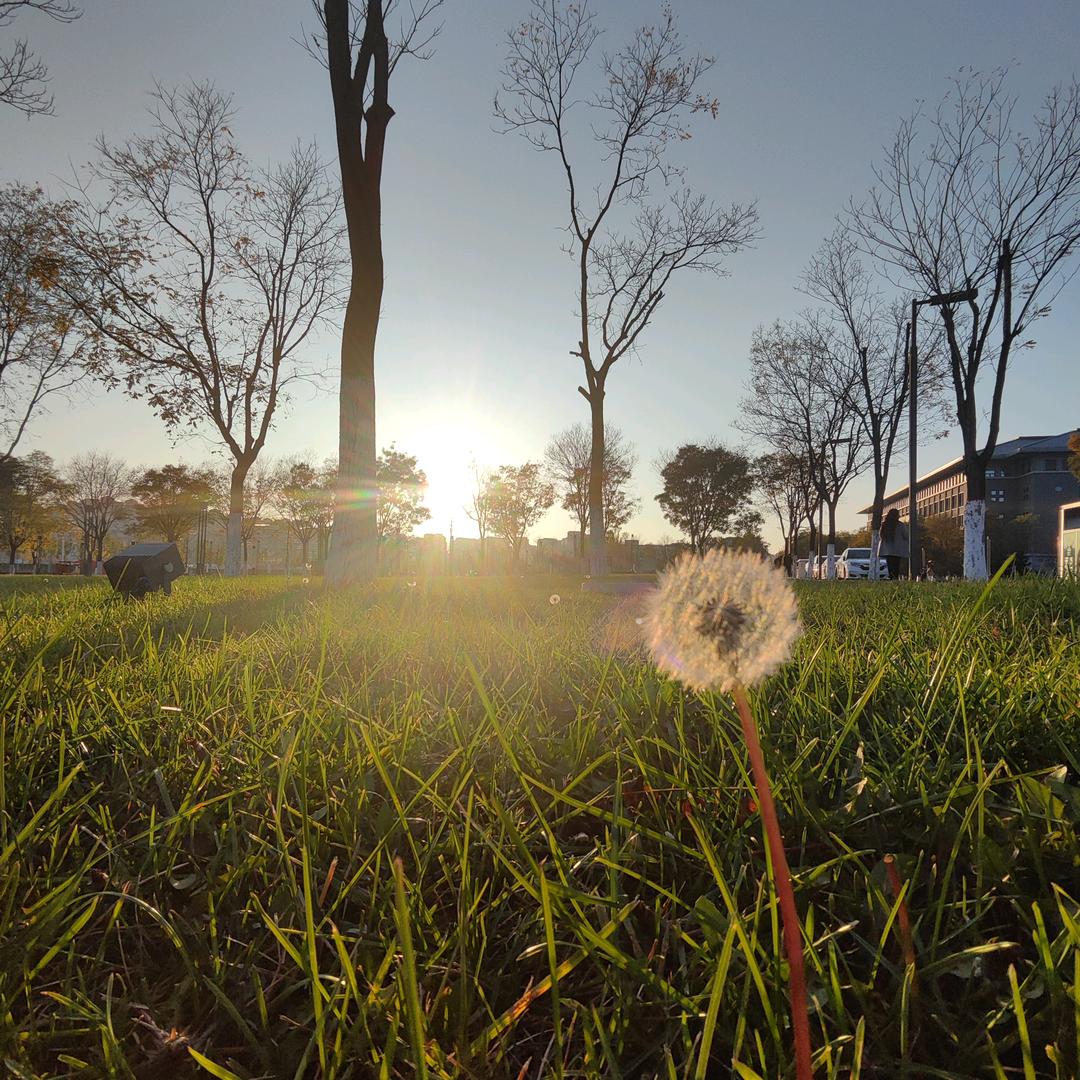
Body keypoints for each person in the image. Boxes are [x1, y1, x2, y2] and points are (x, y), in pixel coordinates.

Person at [879, 508, 910, 581]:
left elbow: (881, 535)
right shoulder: (900, 525)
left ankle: (891, 578)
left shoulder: (884, 525)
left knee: (890, 565)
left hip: (887, 550)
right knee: (896, 565)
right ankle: (895, 579)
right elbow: (906, 535)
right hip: (897, 550)